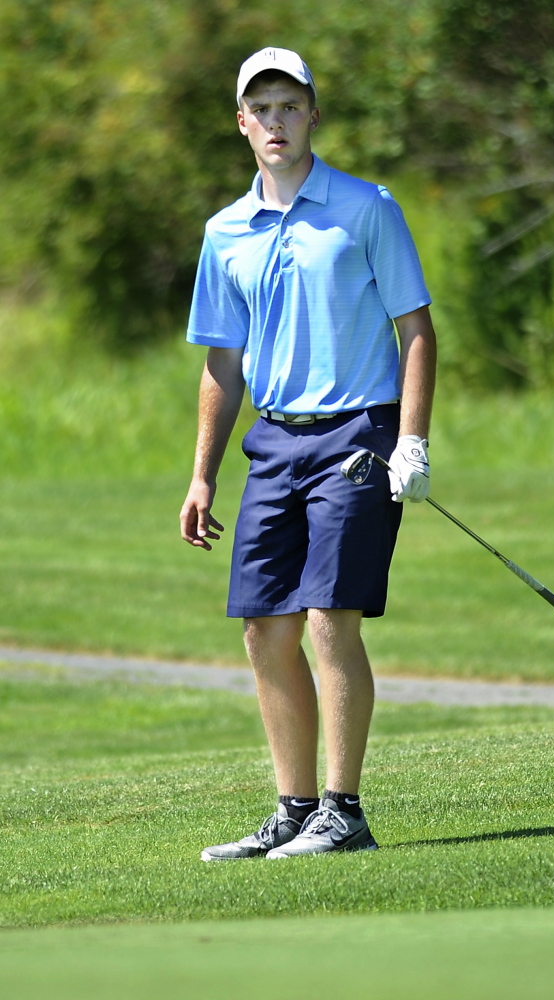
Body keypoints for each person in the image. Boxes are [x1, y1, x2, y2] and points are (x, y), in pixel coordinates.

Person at [179, 47, 436, 860]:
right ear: (242, 123)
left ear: (312, 115)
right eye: (262, 109)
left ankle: (343, 811)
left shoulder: (366, 209)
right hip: (275, 445)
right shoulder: (225, 233)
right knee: (264, 630)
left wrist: (413, 439)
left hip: (358, 438)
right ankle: (292, 810)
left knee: (329, 619)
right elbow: (222, 361)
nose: (276, 122)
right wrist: (201, 473)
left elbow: (416, 330)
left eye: (291, 106)